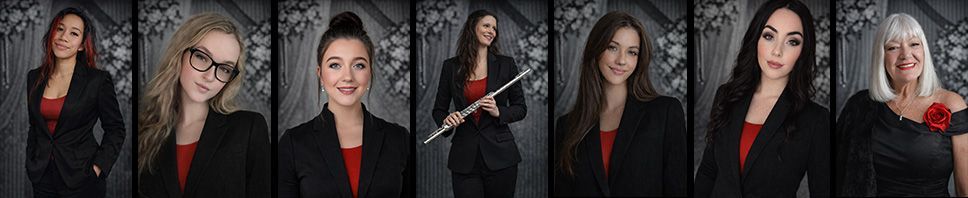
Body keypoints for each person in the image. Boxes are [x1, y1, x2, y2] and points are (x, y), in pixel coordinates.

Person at [695, 0, 829, 197]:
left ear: (803, 51)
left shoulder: (815, 120)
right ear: (756, 38)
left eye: (792, 41)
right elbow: (708, 171)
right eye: (769, 36)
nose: (777, 51)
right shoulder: (726, 96)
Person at [278, 12, 412, 198]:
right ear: (320, 74)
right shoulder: (294, 143)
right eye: (335, 65)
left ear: (370, 73)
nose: (348, 76)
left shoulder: (399, 139)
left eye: (358, 65)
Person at [553, 11, 687, 197]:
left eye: (632, 52)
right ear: (596, 50)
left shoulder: (665, 112)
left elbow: (678, 189)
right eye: (612, 48)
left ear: (639, 59)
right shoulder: (567, 126)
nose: (622, 60)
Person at [137, 13, 270, 197]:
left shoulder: (248, 128)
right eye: (202, 57)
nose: (209, 76)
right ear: (179, 54)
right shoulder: (145, 131)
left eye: (224, 69)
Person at [837, 13, 968, 197]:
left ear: (924, 50)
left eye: (914, 44)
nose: (906, 54)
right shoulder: (859, 106)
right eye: (893, 47)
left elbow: (965, 190)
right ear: (881, 57)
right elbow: (840, 175)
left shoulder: (952, 104)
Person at [26, 7, 125, 197]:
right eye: (60, 29)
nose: (63, 37)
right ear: (52, 33)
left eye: (74, 33)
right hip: (42, 176)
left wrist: (98, 168)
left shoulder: (97, 81)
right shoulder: (34, 77)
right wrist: (32, 160)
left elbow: (116, 129)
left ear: (81, 45)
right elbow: (35, 126)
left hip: (82, 177)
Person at [431, 9, 528, 197]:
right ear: (472, 27)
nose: (491, 31)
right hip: (464, 158)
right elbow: (438, 110)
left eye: (494, 28)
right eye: (486, 25)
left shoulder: (506, 64)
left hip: (501, 157)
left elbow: (521, 108)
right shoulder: (451, 67)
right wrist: (447, 120)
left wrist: (498, 111)